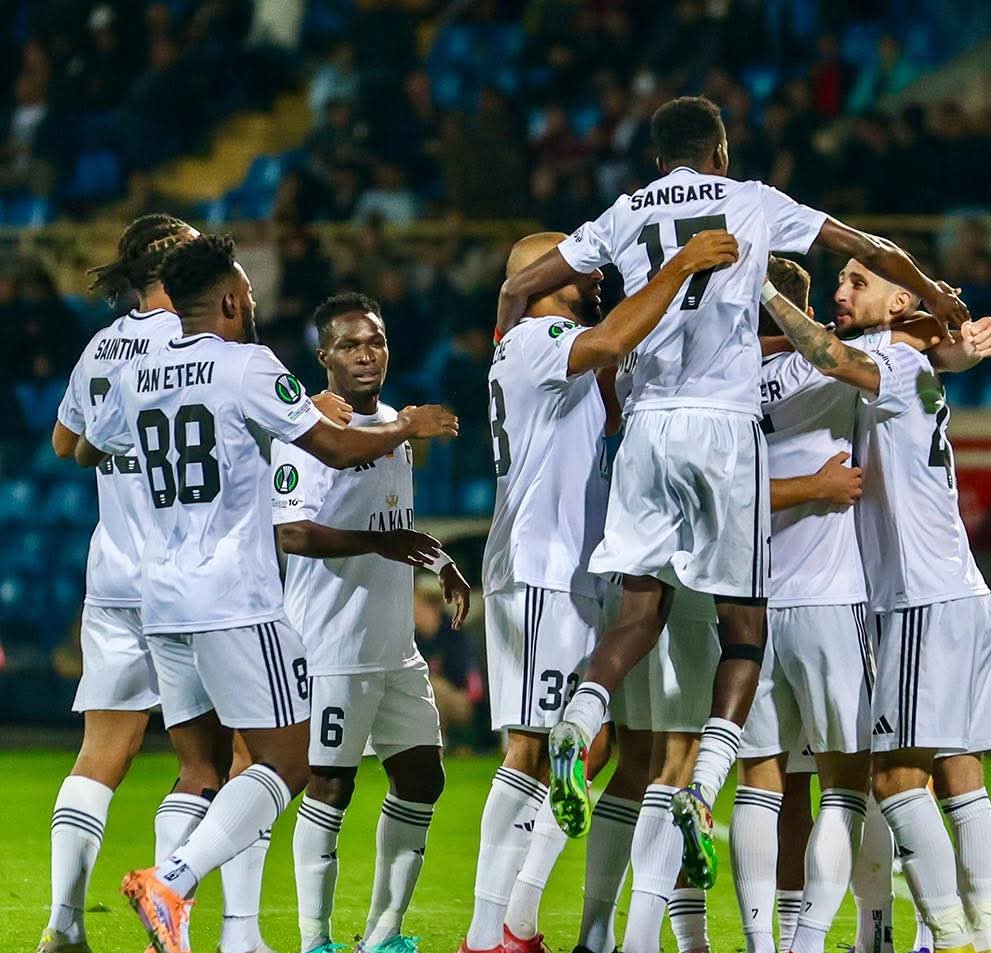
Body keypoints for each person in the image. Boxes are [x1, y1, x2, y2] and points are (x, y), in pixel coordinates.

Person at [494, 95, 969, 900]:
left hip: (646, 425)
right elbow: (866, 246)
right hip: (720, 427)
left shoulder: (624, 211)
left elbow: (525, 282)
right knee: (742, 629)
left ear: (657, 159)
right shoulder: (750, 199)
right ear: (718, 151)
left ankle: (577, 720)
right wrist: (931, 291)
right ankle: (704, 780)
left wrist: (503, 335)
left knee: (637, 614)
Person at [73, 234, 458, 953]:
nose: (252, 300)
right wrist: (408, 424)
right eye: (247, 290)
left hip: (160, 599)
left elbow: (88, 447)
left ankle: (198, 931)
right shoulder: (247, 365)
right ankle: (172, 881)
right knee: (289, 760)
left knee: (199, 767)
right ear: (227, 299)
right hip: (234, 598)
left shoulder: (136, 373)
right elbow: (335, 447)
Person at [461, 225, 737, 953]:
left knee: (598, 742)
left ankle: (528, 926)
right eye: (579, 267)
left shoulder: (533, 344)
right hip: (542, 566)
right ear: (544, 279)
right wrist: (681, 264)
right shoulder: (538, 339)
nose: (595, 275)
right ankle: (489, 935)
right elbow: (612, 340)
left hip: (563, 570)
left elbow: (608, 383)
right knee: (529, 750)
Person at [761, 262, 991, 953]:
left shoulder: (891, 363)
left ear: (898, 299)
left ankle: (950, 933)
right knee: (958, 772)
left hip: (918, 594)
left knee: (893, 779)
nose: (840, 291)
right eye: (839, 280)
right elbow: (908, 344)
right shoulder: (910, 358)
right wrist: (944, 337)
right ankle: (981, 927)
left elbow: (829, 355)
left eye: (858, 281)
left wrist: (762, 289)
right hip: (953, 586)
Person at [38, 214, 220, 953]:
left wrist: (109, 441)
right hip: (185, 576)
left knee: (100, 753)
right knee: (205, 760)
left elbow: (64, 442)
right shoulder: (199, 342)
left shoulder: (103, 344)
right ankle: (168, 919)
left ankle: (64, 923)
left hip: (112, 572)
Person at [271, 291, 471, 953]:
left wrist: (440, 561)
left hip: (394, 646)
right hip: (331, 642)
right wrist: (380, 545)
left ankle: (383, 935)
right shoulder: (305, 430)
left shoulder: (394, 426)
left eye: (375, 341)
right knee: (330, 785)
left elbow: (393, 522)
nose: (366, 354)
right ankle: (315, 940)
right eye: (350, 344)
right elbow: (294, 533)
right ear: (324, 356)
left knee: (423, 778)